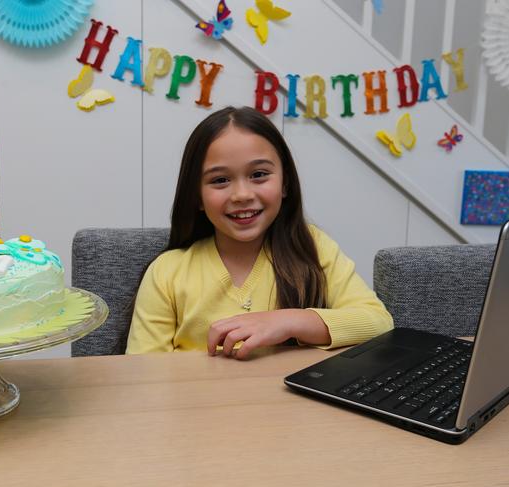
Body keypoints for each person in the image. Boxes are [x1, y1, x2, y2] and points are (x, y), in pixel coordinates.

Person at [125, 106, 393, 359]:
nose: (242, 195)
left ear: (285, 183)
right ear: (196, 196)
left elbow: (379, 323)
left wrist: (289, 321)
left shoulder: (314, 247)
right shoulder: (166, 273)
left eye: (259, 174)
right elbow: (142, 376)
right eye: (220, 180)